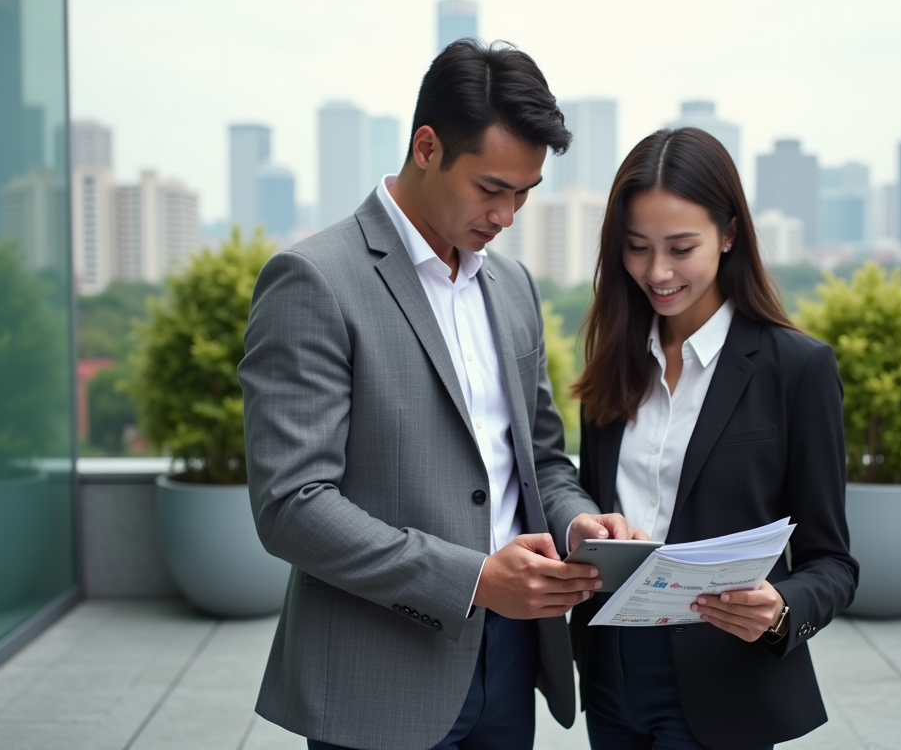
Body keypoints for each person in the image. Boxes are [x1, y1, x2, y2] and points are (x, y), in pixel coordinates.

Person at [238, 40, 641, 750]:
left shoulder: (510, 287)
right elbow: (291, 507)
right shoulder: (313, 279)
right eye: (491, 189)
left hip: (512, 657)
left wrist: (579, 524)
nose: (508, 214)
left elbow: (540, 460)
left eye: (524, 193)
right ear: (427, 147)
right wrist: (475, 580)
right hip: (377, 673)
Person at [568, 127, 859, 750]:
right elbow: (591, 505)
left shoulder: (796, 369)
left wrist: (779, 609)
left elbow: (833, 563)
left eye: (681, 247)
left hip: (724, 684)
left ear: (729, 235)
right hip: (610, 676)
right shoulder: (615, 360)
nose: (658, 271)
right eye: (637, 247)